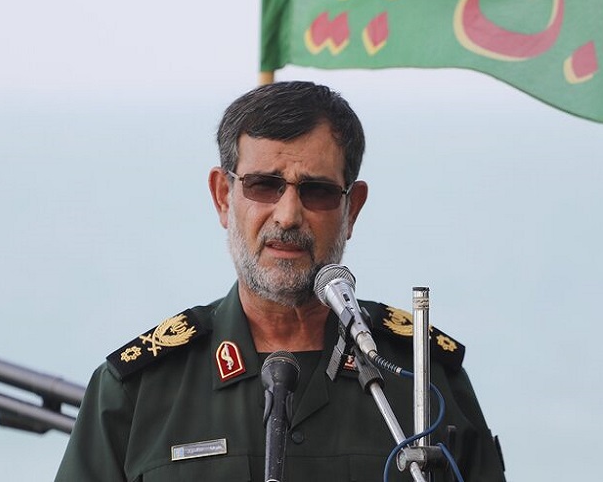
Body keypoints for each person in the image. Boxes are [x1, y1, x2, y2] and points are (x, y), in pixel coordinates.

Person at [55, 81, 506, 481]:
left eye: (317, 191)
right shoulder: (138, 392)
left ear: (352, 209)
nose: (288, 215)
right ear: (223, 196)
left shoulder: (423, 381)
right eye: (264, 186)